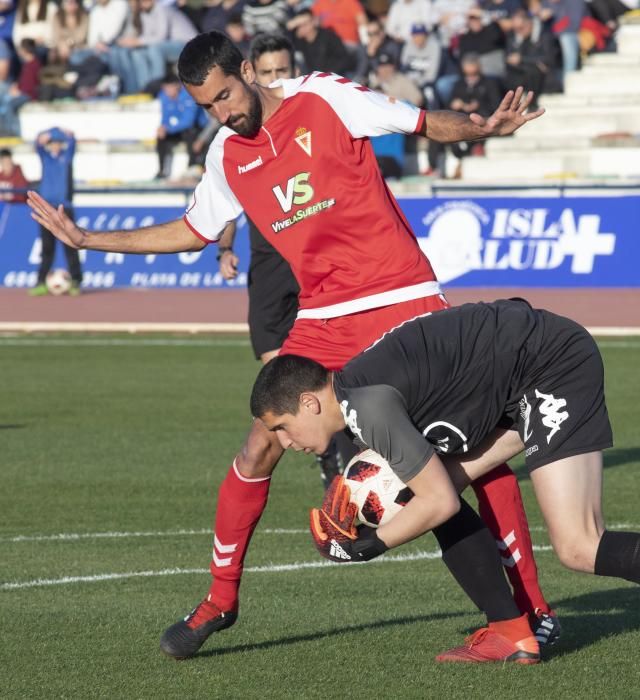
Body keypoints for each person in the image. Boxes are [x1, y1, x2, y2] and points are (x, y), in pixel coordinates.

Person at [26, 30, 553, 661]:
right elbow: (195, 230)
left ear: (248, 70)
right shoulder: (226, 154)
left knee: (471, 450)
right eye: (207, 106)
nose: (223, 113)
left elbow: (419, 123)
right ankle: (220, 601)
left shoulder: (325, 98)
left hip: (400, 296)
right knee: (262, 437)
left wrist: (481, 129)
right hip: (324, 315)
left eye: (226, 95)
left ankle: (532, 610)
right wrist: (87, 241)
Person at [250, 298, 639, 661]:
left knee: (579, 546)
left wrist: (371, 545)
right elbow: (436, 497)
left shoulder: (367, 407)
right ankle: (510, 630)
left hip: (548, 361)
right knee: (423, 491)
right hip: (517, 373)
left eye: (282, 427)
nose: (284, 442)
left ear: (308, 403)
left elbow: (440, 503)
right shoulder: (356, 403)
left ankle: (511, 628)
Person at [214, 32, 344, 487]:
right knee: (279, 369)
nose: (276, 78)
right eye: (267, 71)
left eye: (282, 69)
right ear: (252, 72)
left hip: (317, 259)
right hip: (269, 265)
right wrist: (225, 247)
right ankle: (332, 454)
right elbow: (224, 204)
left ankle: (343, 450)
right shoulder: (234, 135)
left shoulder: (316, 113)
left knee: (336, 364)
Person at [29, 127, 82, 296]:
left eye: (58, 143)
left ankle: (76, 281)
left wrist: (60, 132)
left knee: (71, 245)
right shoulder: (46, 158)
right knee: (47, 249)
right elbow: (37, 144)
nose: (55, 146)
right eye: (52, 143)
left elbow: (73, 140)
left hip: (64, 208)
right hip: (47, 208)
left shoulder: (66, 158)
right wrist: (49, 133)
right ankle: (41, 282)